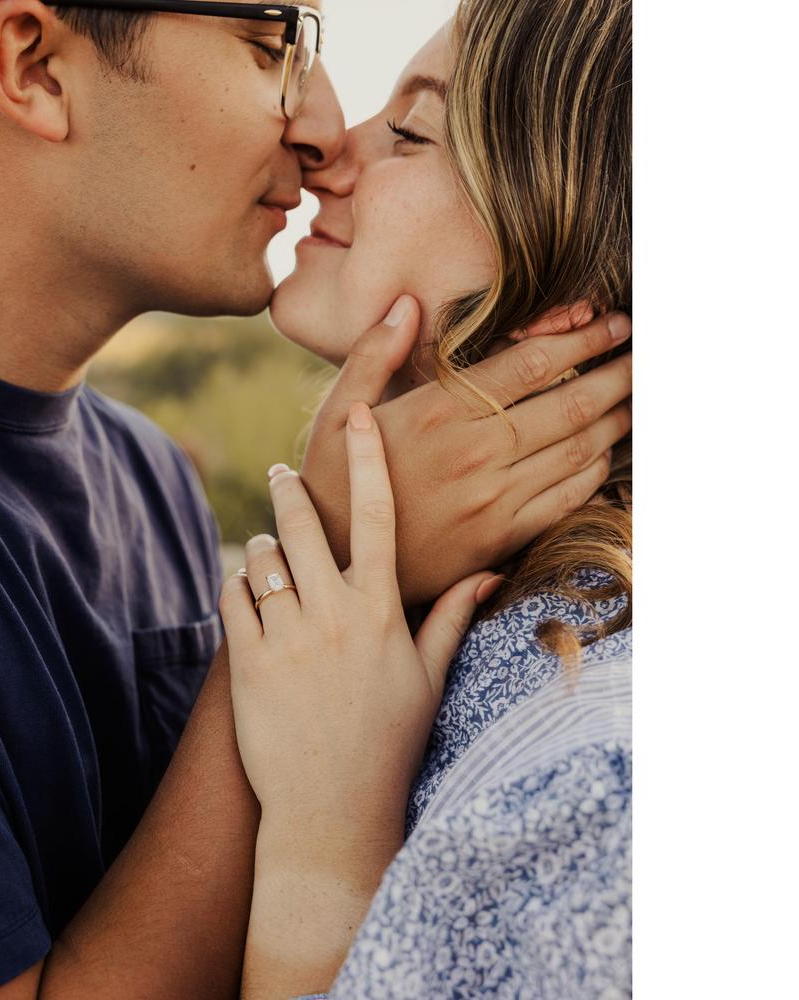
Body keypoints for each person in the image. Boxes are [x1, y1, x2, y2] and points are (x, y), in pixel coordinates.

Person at [0, 1, 631, 997]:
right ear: (36, 67)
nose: (323, 131)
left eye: (410, 131)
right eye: (271, 45)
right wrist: (325, 561)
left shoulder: (150, 480)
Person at [223, 0, 632, 996]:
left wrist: (325, 843)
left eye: (409, 131)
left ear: (563, 271)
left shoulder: (588, 797)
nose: (331, 151)